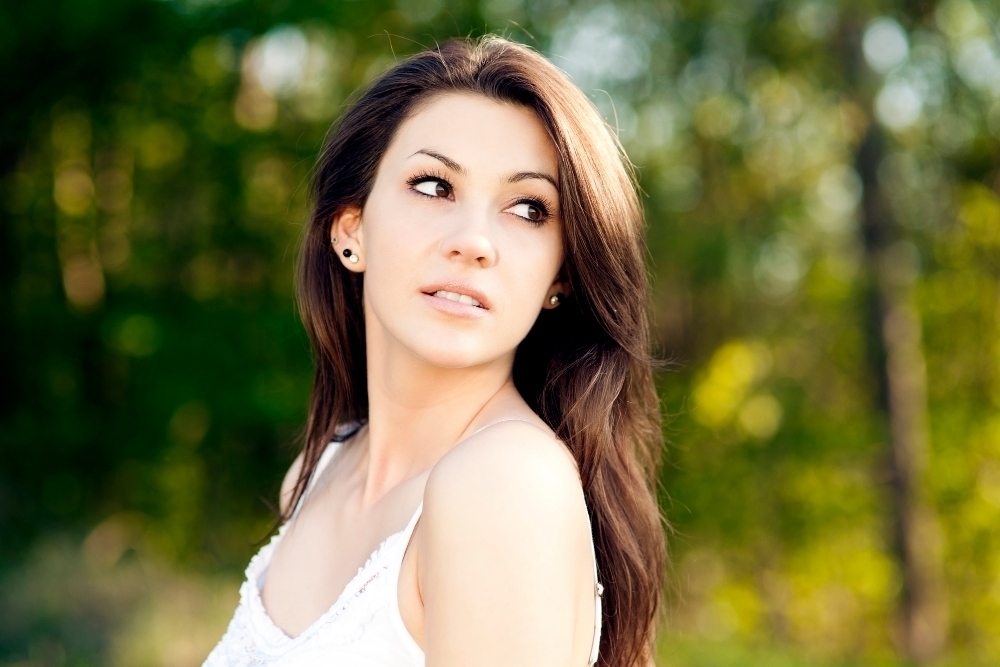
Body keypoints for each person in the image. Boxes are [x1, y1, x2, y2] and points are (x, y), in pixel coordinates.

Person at [204, 36, 665, 667]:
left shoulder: (505, 483)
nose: (474, 241)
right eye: (433, 185)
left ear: (560, 276)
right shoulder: (319, 473)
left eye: (529, 208)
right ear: (352, 229)